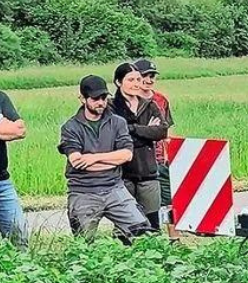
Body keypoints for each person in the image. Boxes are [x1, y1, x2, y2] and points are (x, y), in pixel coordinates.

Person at [59, 76, 151, 240]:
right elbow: (77, 162)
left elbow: (127, 155)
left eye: (103, 98)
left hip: (114, 188)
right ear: (82, 99)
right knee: (83, 243)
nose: (101, 102)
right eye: (95, 99)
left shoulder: (118, 123)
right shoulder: (70, 127)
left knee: (141, 232)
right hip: (83, 191)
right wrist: (113, 160)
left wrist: (93, 158)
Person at [112, 62, 167, 230]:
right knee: (125, 225)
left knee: (153, 223)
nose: (136, 84)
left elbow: (161, 131)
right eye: (130, 80)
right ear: (118, 82)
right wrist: (146, 133)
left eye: (138, 79)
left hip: (148, 172)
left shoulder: (149, 105)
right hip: (122, 174)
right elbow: (113, 137)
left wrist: (132, 129)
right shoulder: (110, 107)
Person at [133, 59, 178, 240]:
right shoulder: (129, 100)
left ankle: (174, 239)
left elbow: (167, 130)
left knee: (169, 200)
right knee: (140, 201)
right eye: (144, 76)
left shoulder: (161, 100)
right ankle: (145, 237)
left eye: (152, 76)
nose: (149, 80)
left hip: (160, 157)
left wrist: (170, 152)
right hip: (139, 158)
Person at [0, 89, 27, 248]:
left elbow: (19, 130)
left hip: (2, 182)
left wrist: (8, 128)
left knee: (19, 237)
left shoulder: (0, 97)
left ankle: (20, 265)